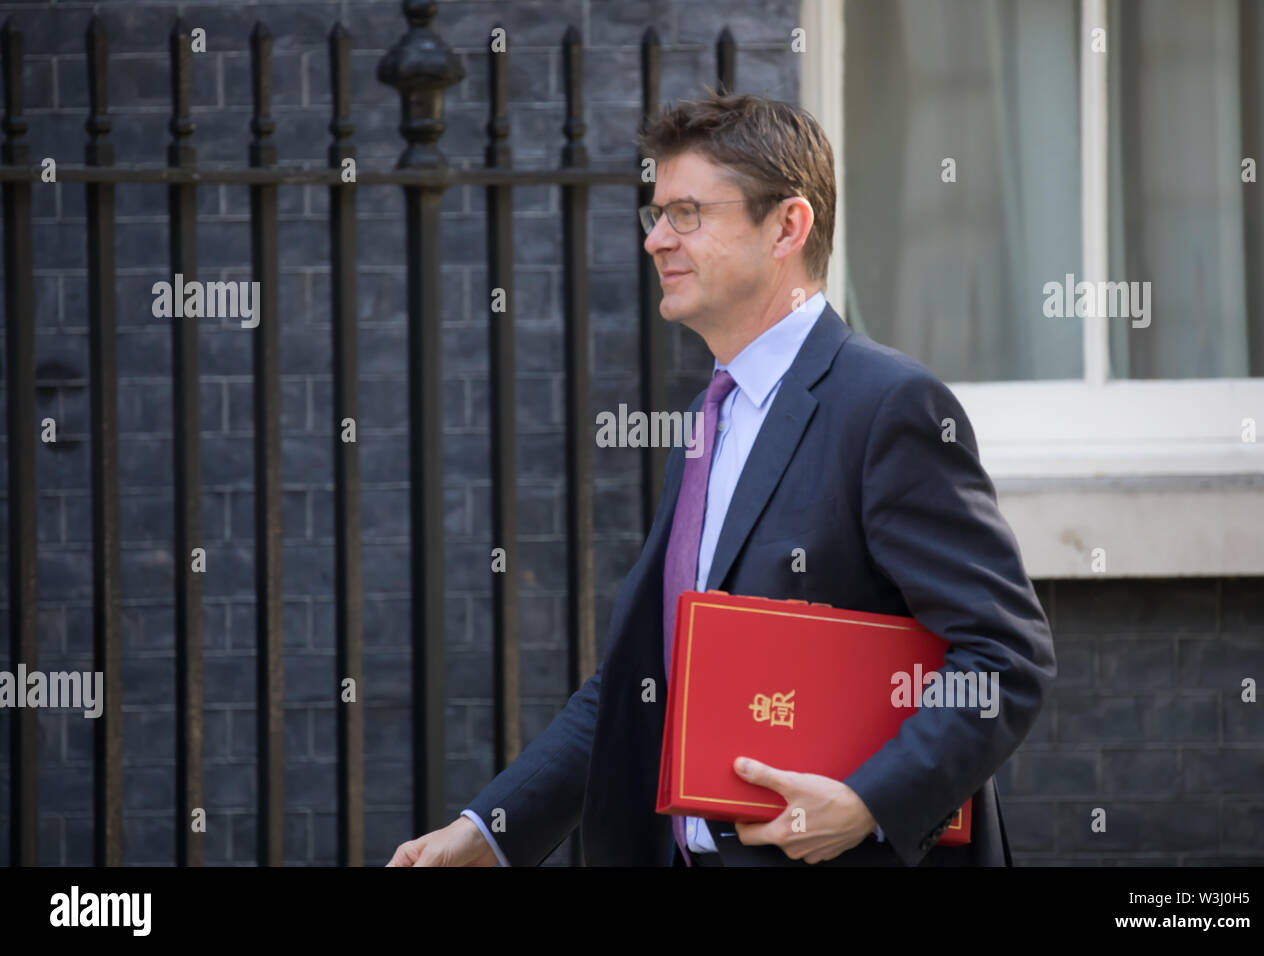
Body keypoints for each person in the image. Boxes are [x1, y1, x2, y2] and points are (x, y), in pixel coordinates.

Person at [388, 92, 1056, 868]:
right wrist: (492, 831)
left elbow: (1004, 656)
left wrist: (869, 801)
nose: (657, 240)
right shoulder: (713, 420)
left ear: (787, 227)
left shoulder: (889, 406)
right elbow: (651, 676)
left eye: (687, 214)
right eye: (656, 214)